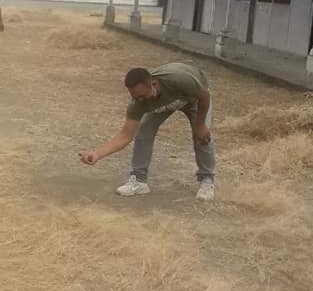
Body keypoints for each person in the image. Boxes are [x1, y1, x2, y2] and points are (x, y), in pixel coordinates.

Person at [78, 63, 216, 201]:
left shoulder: (179, 79)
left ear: (153, 84)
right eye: (135, 97)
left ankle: (206, 179)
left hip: (193, 99)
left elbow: (204, 95)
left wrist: (200, 126)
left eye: (142, 96)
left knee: (202, 137)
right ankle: (139, 181)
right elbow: (125, 135)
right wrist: (97, 154)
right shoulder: (138, 102)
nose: (139, 100)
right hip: (164, 102)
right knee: (144, 131)